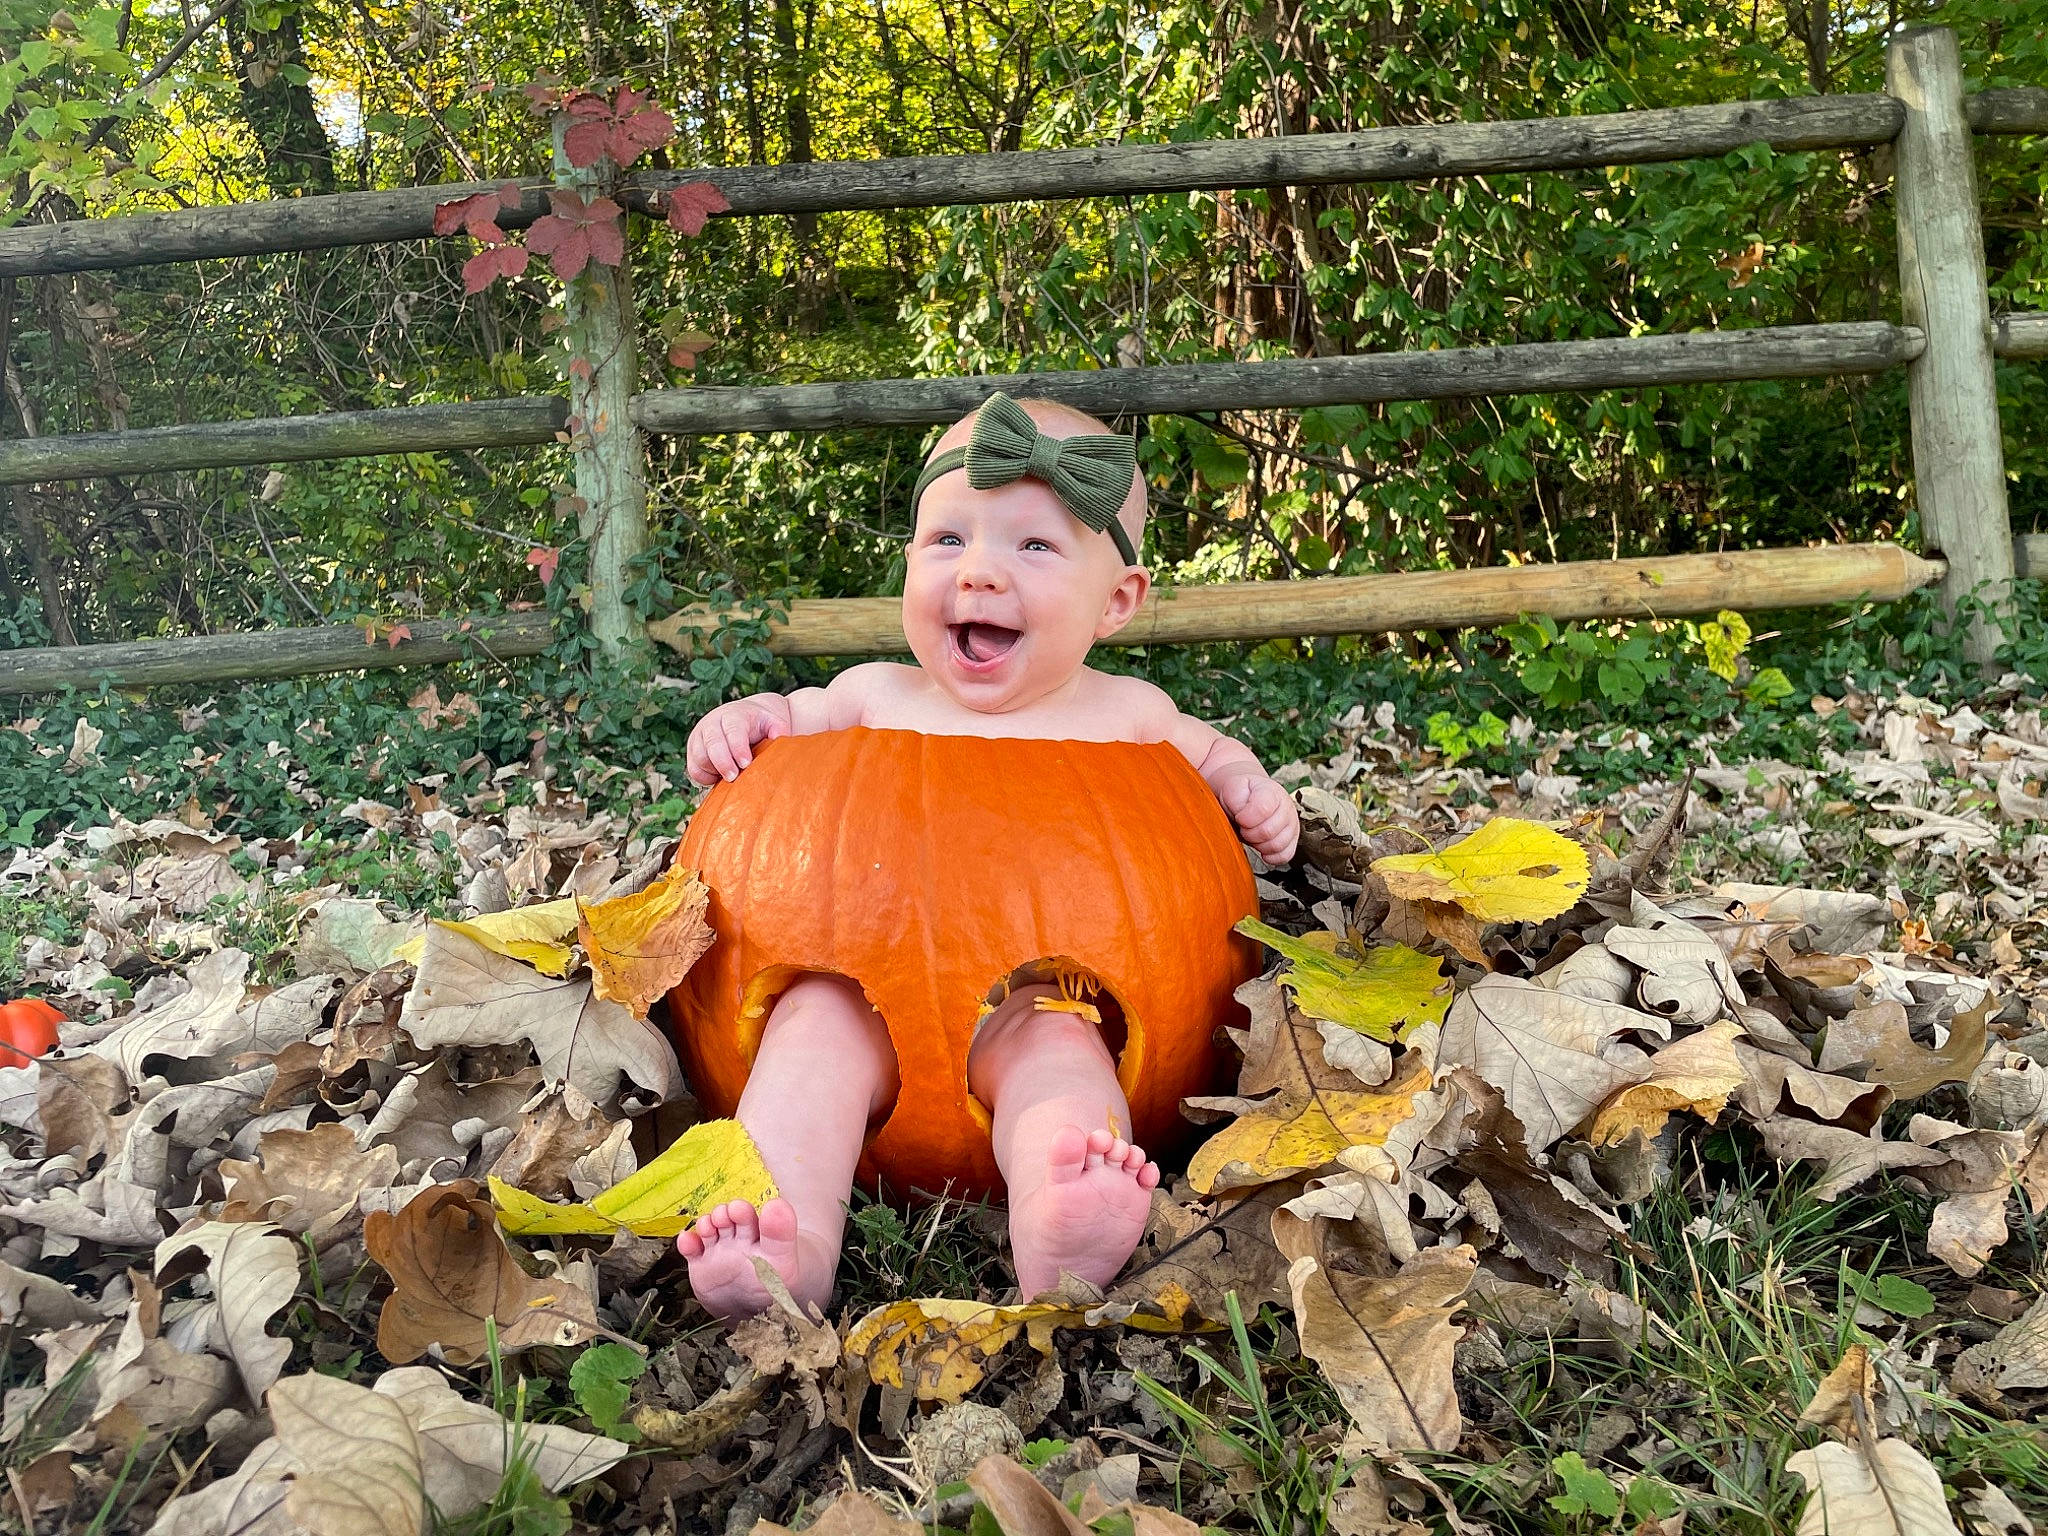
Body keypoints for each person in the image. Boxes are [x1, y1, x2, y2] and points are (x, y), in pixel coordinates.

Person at [675, 392, 1301, 1318]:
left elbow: (1212, 756)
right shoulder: (869, 692)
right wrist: (749, 720)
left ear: (1117, 600)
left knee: (1059, 1043)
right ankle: (787, 1237)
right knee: (807, 1040)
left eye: (1033, 547)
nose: (977, 575)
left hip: (1035, 990)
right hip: (857, 985)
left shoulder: (1128, 714)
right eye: (948, 541)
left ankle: (1062, 1207)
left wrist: (1247, 787)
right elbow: (789, 721)